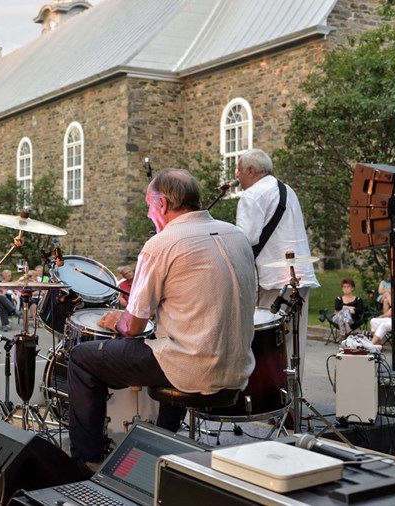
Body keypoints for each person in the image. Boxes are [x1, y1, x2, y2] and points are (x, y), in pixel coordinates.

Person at [68, 169, 256, 472]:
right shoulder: (237, 235)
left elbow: (133, 328)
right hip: (238, 366)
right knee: (172, 348)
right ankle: (161, 452)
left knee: (82, 359)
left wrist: (118, 318)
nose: (147, 212)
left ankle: (87, 462)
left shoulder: (162, 244)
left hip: (193, 367)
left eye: (148, 205)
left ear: (163, 205)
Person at [235, 149, 318, 376]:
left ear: (251, 171)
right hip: (299, 275)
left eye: (239, 170)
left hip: (272, 281)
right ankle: (294, 402)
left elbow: (245, 240)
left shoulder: (252, 196)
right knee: (294, 344)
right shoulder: (287, 190)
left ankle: (273, 402)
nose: (237, 175)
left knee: (268, 345)